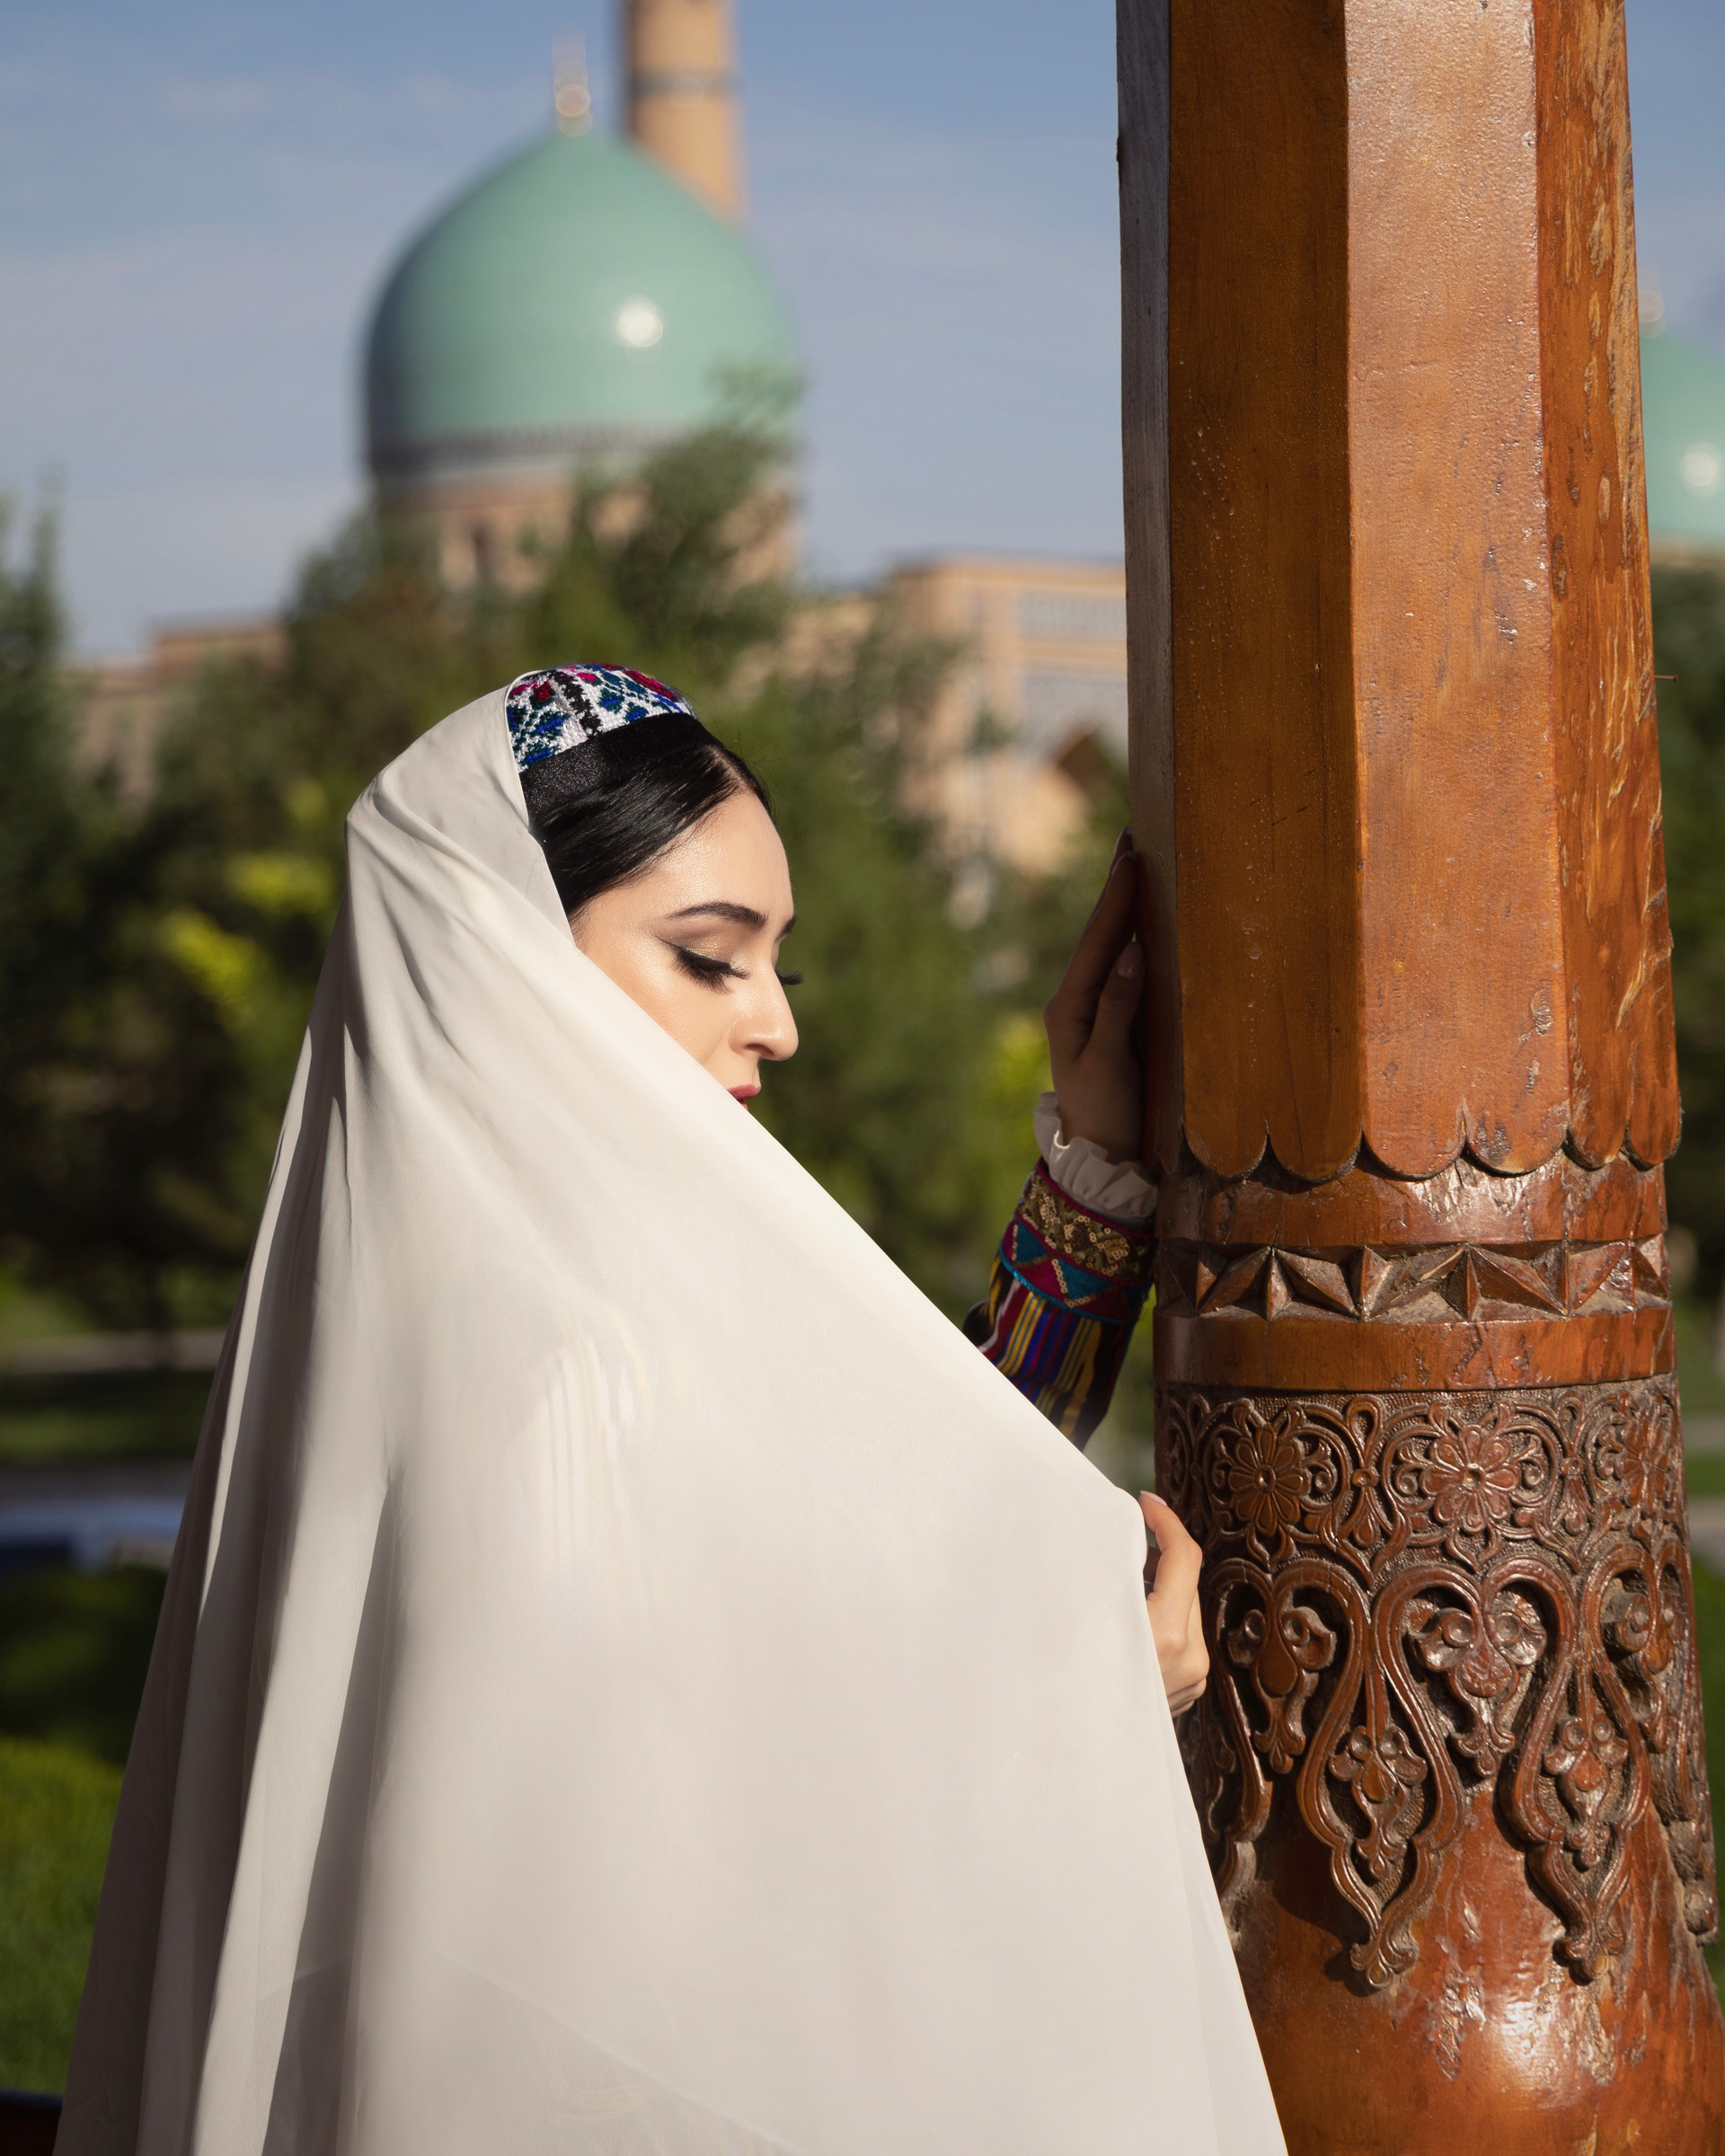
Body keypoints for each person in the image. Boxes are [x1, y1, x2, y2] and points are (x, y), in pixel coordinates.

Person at [60, 667, 1284, 2155]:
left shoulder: (561, 1314)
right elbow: (643, 1917)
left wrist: (1091, 1185)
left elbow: (884, 1525)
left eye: (779, 968)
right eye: (710, 958)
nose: (774, 1024)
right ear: (500, 953)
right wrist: (1078, 1687)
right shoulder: (543, 1379)